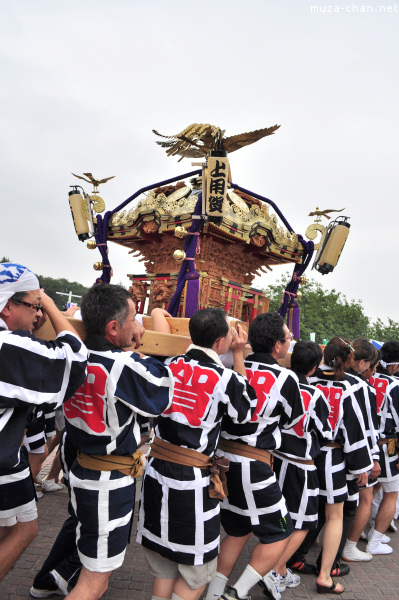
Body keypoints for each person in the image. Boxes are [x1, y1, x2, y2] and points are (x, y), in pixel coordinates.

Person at [61, 283, 174, 600]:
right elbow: (163, 389)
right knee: (94, 583)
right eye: (133, 318)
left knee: (91, 567)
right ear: (114, 327)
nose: (137, 325)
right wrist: (142, 345)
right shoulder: (123, 365)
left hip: (83, 468)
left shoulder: (74, 352)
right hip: (108, 483)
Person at [137, 307, 256, 600]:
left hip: (155, 469)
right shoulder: (225, 378)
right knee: (197, 573)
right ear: (220, 342)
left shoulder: (168, 363)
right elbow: (246, 413)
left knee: (164, 563)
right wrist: (239, 355)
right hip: (191, 479)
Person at [205, 312, 304, 600]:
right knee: (281, 530)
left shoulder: (229, 365)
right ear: (276, 346)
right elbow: (290, 423)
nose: (291, 342)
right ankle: (237, 593)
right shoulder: (285, 378)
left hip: (222, 460)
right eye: (288, 338)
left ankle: (214, 594)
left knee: (238, 530)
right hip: (254, 463)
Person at [0, 262, 87, 581]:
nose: (37, 316)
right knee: (26, 529)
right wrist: (51, 304)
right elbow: (76, 360)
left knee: (13, 525)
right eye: (33, 307)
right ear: (8, 305)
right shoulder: (7, 345)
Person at [259, 340, 332, 599]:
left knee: (280, 517)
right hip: (300, 465)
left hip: (274, 459)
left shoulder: (281, 383)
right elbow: (325, 432)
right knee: (303, 521)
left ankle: (276, 568)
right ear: (314, 368)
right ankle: (276, 571)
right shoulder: (314, 394)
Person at [305, 337, 373, 594]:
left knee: (301, 513)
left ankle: (283, 565)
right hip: (333, 459)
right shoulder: (348, 387)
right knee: (334, 516)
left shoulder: (305, 379)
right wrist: (361, 468)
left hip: (302, 457)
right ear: (348, 359)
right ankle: (324, 574)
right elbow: (354, 432)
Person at [341, 340, 381, 562]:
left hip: (331, 451)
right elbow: (368, 426)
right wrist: (373, 458)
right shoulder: (362, 387)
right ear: (364, 363)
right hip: (357, 450)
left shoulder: (327, 376)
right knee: (364, 498)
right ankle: (349, 545)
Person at [366, 340, 399, 555]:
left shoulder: (368, 378)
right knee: (392, 492)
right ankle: (374, 540)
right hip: (388, 444)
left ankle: (365, 531)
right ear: (395, 365)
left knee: (372, 488)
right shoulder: (395, 385)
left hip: (366, 441)